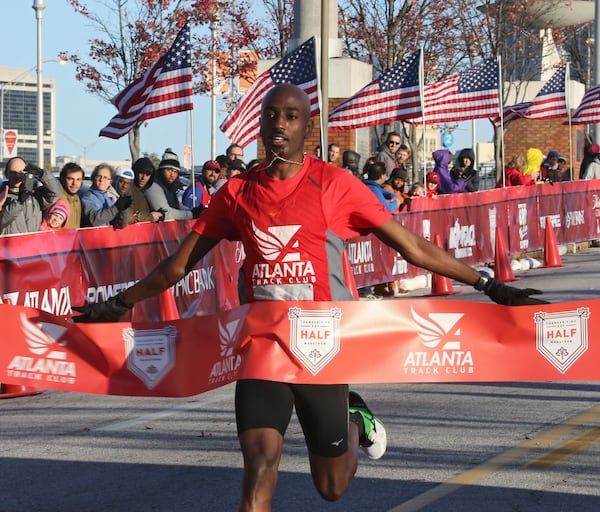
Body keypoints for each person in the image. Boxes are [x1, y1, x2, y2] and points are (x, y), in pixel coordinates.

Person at [73, 83, 543, 510]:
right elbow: (179, 266)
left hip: (323, 345)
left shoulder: (334, 185)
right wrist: (117, 304)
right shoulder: (237, 192)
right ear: (259, 124)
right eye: (271, 115)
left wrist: (490, 285)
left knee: (331, 487)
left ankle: (356, 419)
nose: (279, 124)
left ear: (307, 128)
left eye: (291, 116)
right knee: (259, 464)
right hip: (261, 346)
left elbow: (413, 247)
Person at [0, 156, 63, 235]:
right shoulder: (2, 197)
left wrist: (42, 174)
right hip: (11, 246)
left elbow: (57, 192)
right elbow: (2, 220)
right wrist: (20, 202)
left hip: (33, 244)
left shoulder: (34, 196)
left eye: (21, 172)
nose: (17, 176)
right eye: (13, 172)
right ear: (6, 174)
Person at [145, 148, 201, 221]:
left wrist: (195, 211)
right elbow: (165, 213)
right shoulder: (153, 186)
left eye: (175, 171)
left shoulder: (170, 188)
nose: (172, 174)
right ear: (161, 170)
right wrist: (192, 214)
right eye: (169, 170)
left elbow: (178, 206)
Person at [81, 163, 131, 228]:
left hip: (108, 236)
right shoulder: (87, 197)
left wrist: (124, 209)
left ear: (110, 182)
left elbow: (121, 225)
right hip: (93, 236)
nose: (101, 180)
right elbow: (93, 220)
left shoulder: (109, 199)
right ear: (94, 178)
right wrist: (116, 207)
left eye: (105, 177)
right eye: (99, 176)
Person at [130, 157, 163, 223]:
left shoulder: (149, 192)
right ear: (135, 172)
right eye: (141, 173)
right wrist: (151, 217)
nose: (143, 178)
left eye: (147, 174)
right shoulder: (128, 191)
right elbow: (129, 215)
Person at [59, 162, 84, 229]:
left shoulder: (77, 198)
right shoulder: (58, 198)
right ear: (63, 179)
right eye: (70, 179)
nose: (74, 183)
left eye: (78, 179)